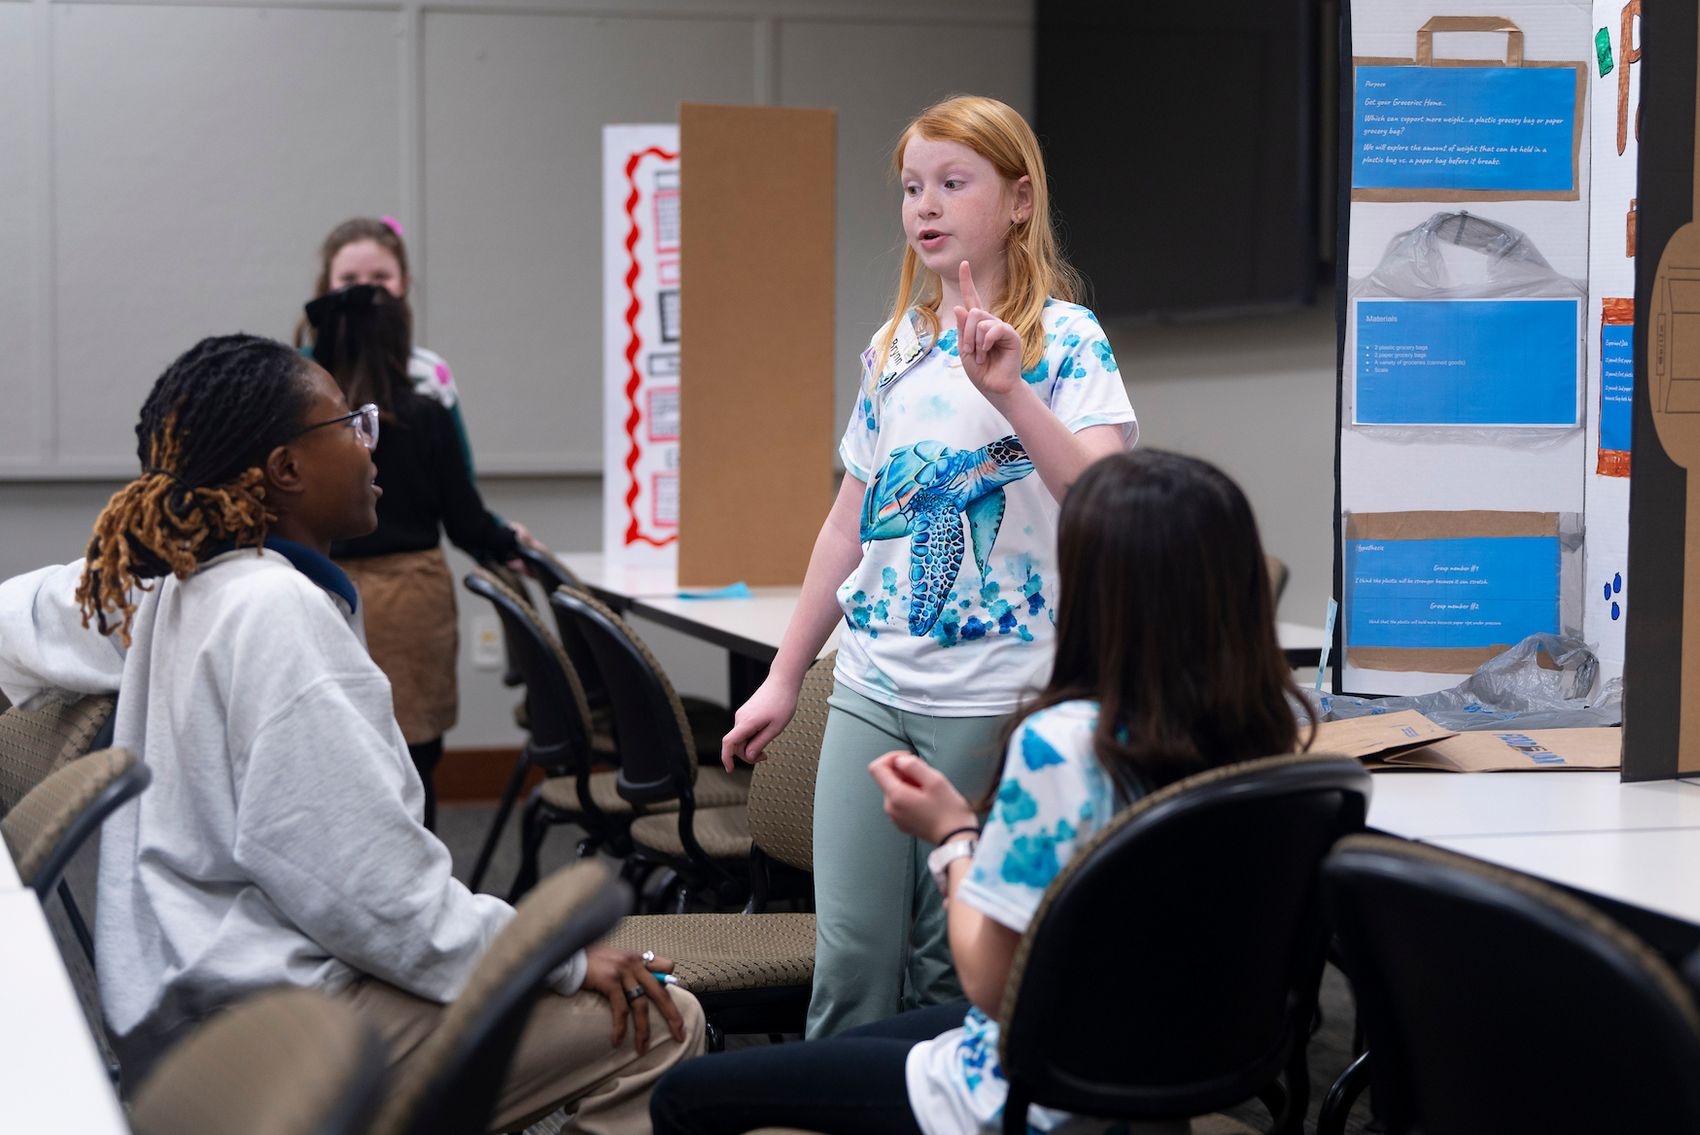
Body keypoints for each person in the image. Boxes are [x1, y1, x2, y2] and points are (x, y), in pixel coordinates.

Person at [0, 335, 703, 1131]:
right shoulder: (278, 612)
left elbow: (19, 618)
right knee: (662, 1021)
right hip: (284, 1024)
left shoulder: (173, 588)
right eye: (352, 423)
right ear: (286, 468)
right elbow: (377, 900)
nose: (375, 446)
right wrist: (562, 959)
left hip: (186, 1021)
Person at [653, 448, 1305, 1134]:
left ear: (1096, 587)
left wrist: (954, 835)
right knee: (850, 1051)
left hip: (1032, 1086)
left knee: (688, 1095)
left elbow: (994, 990)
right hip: (1159, 1056)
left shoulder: (1066, 745)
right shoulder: (1268, 738)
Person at [720, 94, 1137, 1036]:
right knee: (852, 958)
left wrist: (1012, 392)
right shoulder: (896, 346)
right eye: (914, 187)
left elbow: (1110, 505)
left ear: (1020, 201)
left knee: (950, 967)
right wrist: (785, 678)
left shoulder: (1067, 341)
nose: (927, 205)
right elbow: (847, 528)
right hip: (873, 682)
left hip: (999, 693)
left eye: (954, 182)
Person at [305, 281, 526, 830]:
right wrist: (510, 546)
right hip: (412, 600)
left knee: (335, 755)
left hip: (320, 591)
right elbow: (466, 520)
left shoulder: (313, 428)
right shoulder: (424, 414)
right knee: (414, 756)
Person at [296, 216, 483, 483]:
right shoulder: (301, 371)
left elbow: (458, 476)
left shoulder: (429, 373)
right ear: (327, 286)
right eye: (349, 279)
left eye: (380, 277)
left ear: (404, 283)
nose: (365, 290)